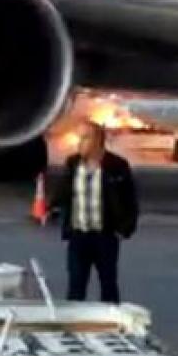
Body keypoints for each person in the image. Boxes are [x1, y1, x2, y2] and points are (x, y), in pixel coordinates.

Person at [49, 123, 139, 303]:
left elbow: (130, 200)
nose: (79, 143)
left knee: (108, 284)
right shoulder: (73, 163)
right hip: (79, 235)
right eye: (79, 138)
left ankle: (111, 316)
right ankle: (74, 318)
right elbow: (64, 191)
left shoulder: (117, 166)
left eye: (85, 138)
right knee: (76, 285)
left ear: (98, 141)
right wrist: (53, 209)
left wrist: (124, 229)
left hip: (104, 236)